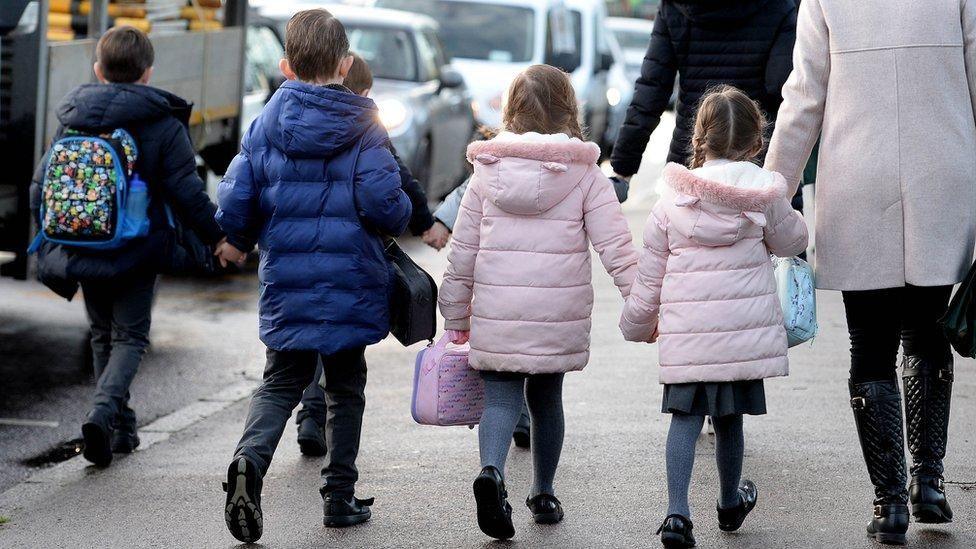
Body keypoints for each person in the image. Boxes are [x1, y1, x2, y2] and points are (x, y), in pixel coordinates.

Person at [764, 0, 976, 544]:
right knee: (929, 331)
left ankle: (889, 505)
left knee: (871, 346)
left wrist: (773, 194)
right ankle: (928, 481)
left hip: (859, 179)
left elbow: (804, 97)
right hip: (941, 174)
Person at [215, 9, 411, 543]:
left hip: (289, 281)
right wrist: (397, 214)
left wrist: (235, 238)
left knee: (281, 381)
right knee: (346, 388)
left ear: (285, 66)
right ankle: (340, 497)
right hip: (351, 283)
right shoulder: (365, 127)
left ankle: (248, 463)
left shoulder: (264, 125)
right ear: (346, 65)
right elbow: (387, 207)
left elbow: (236, 198)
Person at [439, 64, 639, 540]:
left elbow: (462, 251)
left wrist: (454, 311)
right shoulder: (585, 175)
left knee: (501, 398)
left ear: (509, 112)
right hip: (555, 316)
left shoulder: (486, 173)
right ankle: (543, 492)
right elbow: (617, 248)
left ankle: (492, 472)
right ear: (569, 112)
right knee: (547, 401)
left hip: (498, 312)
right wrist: (643, 302)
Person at [620, 86, 808, 548]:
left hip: (688, 338)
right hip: (741, 338)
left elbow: (650, 277)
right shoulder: (764, 194)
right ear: (756, 143)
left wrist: (638, 325)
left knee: (684, 419)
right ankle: (728, 502)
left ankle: (677, 515)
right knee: (729, 420)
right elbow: (792, 243)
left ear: (698, 139)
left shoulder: (671, 202)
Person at [29, 26, 225, 467]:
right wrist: (220, 238)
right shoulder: (161, 120)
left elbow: (40, 184)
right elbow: (187, 192)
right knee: (131, 336)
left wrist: (54, 231)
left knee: (103, 334)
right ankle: (102, 415)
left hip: (81, 241)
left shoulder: (72, 115)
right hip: (137, 247)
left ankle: (121, 427)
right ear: (148, 72)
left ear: (98, 70)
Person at [292, 53, 447, 457]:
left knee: (310, 339)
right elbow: (397, 182)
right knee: (343, 356)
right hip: (350, 257)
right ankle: (335, 472)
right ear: (361, 92)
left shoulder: (293, 121)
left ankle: (309, 414)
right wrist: (423, 223)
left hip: (298, 256)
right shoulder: (364, 125)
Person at [610, 0, 798, 203]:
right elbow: (783, 88)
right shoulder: (779, 6)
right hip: (754, 160)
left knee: (680, 228)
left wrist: (623, 169)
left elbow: (652, 90)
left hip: (692, 158)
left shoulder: (674, 7)